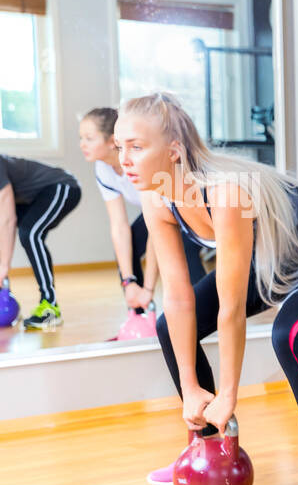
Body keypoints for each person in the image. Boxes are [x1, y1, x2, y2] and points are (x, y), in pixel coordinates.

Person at [116, 92, 298, 485]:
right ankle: (206, 446)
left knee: (289, 336)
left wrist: (230, 394)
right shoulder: (155, 197)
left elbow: (230, 310)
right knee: (168, 325)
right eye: (120, 145)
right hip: (275, 258)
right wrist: (192, 390)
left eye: (136, 147)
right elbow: (179, 299)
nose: (124, 159)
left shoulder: (227, 192)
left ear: (173, 151)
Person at [78, 108, 206, 319]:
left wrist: (148, 288)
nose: (82, 144)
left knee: (184, 250)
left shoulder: (141, 162)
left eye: (89, 138)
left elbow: (158, 232)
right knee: (129, 247)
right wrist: (129, 281)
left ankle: (203, 316)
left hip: (190, 205)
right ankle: (137, 313)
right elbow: (119, 227)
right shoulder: (103, 169)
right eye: (81, 138)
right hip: (158, 210)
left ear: (112, 141)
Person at [0, 153, 82, 330]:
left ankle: (50, 307)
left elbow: (7, 219)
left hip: (62, 186)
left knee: (30, 234)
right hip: (32, 198)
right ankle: (4, 297)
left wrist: (3, 266)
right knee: (29, 234)